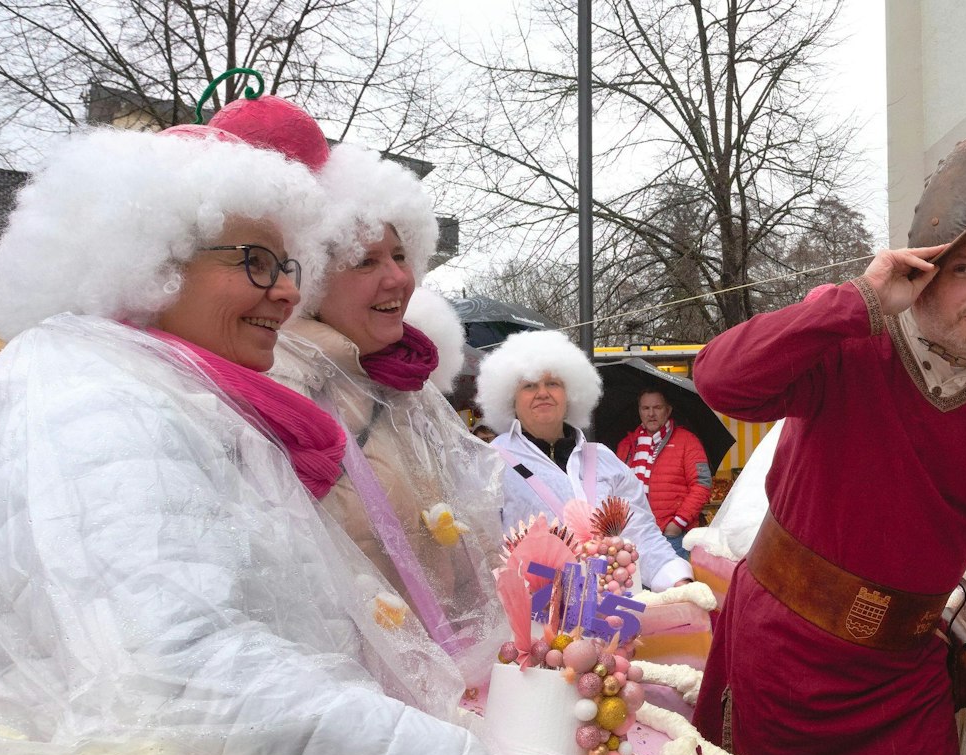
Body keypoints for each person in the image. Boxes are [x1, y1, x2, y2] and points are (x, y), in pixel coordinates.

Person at [0, 126, 511, 755]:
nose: (288, 291)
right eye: (256, 261)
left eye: (288, 264)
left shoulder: (144, 388)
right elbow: (175, 663)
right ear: (151, 263)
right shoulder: (98, 405)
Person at [690, 133, 966, 755]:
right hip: (788, 662)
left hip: (906, 683)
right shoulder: (850, 339)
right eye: (965, 269)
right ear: (922, 268)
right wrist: (857, 300)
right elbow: (719, 380)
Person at [211, 94, 511, 684]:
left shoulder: (405, 389)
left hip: (447, 688)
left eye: (401, 254)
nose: (399, 277)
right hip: (352, 707)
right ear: (311, 280)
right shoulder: (274, 395)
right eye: (366, 261)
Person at [476, 330, 694, 590]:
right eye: (529, 385)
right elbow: (481, 551)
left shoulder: (603, 459)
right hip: (533, 620)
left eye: (553, 384)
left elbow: (641, 533)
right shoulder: (491, 463)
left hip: (612, 615)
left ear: (570, 394)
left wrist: (677, 581)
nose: (542, 392)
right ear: (511, 398)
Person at [615, 388, 712, 559]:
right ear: (639, 411)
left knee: (675, 585)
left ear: (668, 410)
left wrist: (677, 524)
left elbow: (702, 484)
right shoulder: (627, 445)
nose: (651, 413)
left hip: (672, 537)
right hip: (633, 537)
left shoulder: (687, 441)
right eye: (645, 408)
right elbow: (616, 488)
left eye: (657, 408)